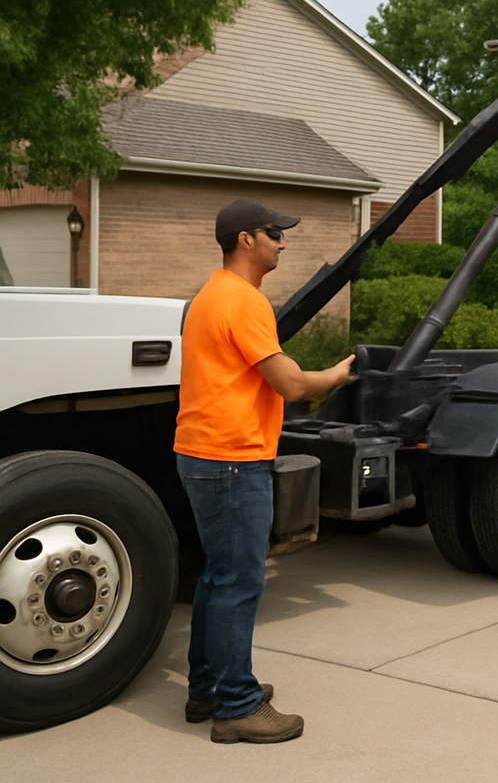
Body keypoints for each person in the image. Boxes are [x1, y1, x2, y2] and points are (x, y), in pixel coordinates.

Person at [175, 199, 355, 744]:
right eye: (275, 232)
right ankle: (237, 706)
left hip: (202, 453)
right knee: (240, 581)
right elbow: (293, 385)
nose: (283, 241)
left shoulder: (207, 296)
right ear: (245, 240)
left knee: (217, 576)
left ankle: (208, 688)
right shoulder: (243, 301)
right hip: (231, 459)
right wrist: (339, 374)